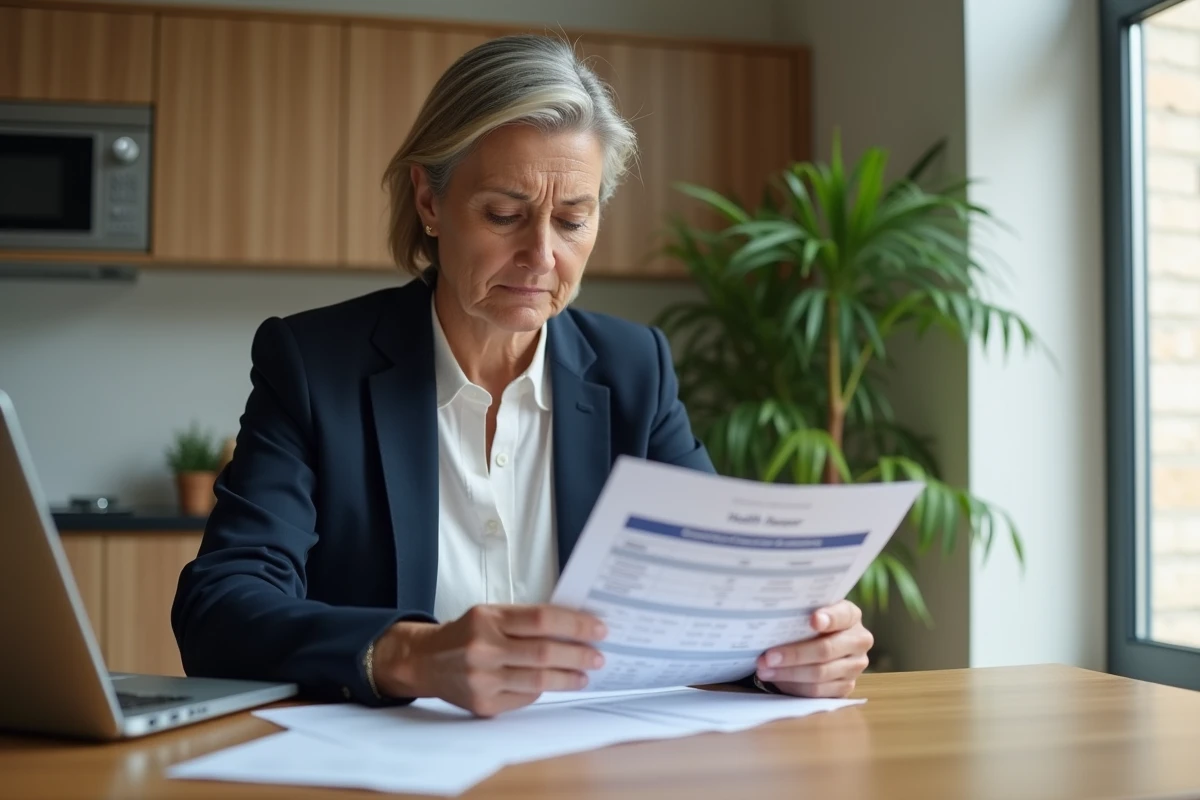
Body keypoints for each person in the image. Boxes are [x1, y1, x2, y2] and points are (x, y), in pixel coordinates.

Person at [171, 34, 873, 718]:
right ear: (428, 202)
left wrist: (797, 650)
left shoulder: (635, 371)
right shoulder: (314, 364)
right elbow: (221, 606)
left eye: (573, 220)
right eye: (505, 214)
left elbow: (718, 601)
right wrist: (410, 655)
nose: (541, 256)